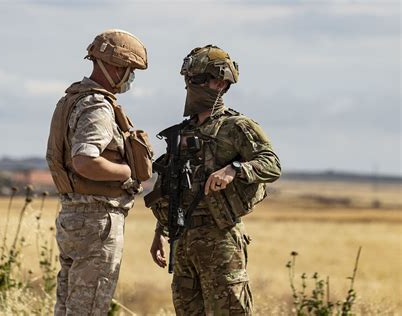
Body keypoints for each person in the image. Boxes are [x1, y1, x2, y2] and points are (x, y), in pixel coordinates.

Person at [147, 45, 281, 315]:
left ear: (220, 82)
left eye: (196, 80)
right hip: (183, 239)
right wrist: (160, 231)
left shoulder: (237, 126)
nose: (189, 86)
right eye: (187, 80)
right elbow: (173, 188)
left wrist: (235, 169)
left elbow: (271, 163)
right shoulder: (183, 132)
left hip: (220, 238)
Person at [46, 29, 149, 316]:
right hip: (97, 221)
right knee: (89, 308)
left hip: (74, 216)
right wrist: (127, 172)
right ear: (115, 66)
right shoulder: (97, 106)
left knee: (69, 306)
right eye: (129, 71)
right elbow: (84, 161)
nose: (130, 78)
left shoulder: (72, 99)